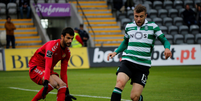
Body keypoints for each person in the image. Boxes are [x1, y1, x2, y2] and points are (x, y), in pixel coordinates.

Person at [107, 4, 172, 101]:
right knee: (120, 83)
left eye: (141, 16)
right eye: (136, 16)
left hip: (143, 66)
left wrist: (167, 48)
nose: (138, 19)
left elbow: (165, 41)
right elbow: (125, 42)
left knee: (135, 97)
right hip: (128, 61)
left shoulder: (153, 27)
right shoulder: (129, 26)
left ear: (145, 16)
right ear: (133, 15)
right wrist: (116, 52)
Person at [28, 27, 77, 101]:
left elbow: (63, 73)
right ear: (62, 36)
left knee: (62, 85)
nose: (70, 41)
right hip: (36, 67)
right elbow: (47, 65)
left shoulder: (67, 52)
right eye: (68, 38)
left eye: (71, 39)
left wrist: (66, 92)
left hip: (47, 70)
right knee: (53, 83)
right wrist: (46, 82)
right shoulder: (52, 46)